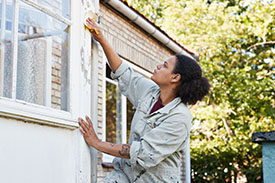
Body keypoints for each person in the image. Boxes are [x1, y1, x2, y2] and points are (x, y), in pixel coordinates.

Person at [78, 18, 210, 183]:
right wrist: (101, 39)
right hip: (126, 174)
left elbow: (142, 153)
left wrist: (97, 144)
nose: (158, 67)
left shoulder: (180, 117)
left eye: (164, 66)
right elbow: (123, 73)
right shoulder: (150, 92)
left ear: (175, 77)